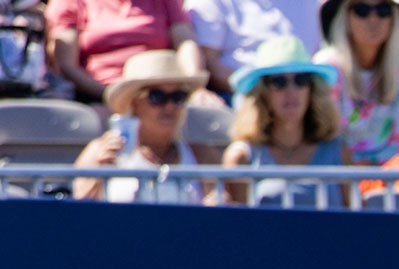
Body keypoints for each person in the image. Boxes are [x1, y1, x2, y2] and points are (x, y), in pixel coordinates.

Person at [70, 45, 214, 199]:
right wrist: (98, 175)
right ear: (134, 104)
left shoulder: (201, 156)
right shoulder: (101, 151)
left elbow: (221, 213)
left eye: (178, 97)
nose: (170, 106)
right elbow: (79, 216)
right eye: (157, 96)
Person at [220, 32, 342, 198]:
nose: (291, 91)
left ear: (312, 89)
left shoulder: (339, 151)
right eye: (279, 82)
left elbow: (358, 220)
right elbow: (239, 222)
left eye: (301, 80)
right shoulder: (241, 157)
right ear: (262, 93)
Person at [46, 0, 203, 100]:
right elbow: (66, 64)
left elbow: (186, 42)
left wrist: (194, 87)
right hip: (97, 95)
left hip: (162, 93)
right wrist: (111, 96)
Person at [315, 0, 399, 164]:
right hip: (339, 176)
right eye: (362, 10)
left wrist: (374, 171)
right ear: (345, 16)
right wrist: (355, 171)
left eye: (383, 10)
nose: (373, 19)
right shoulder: (327, 66)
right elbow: (326, 139)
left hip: (388, 175)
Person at [183, 0, 320, 94]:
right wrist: (262, 90)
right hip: (238, 97)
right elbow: (209, 61)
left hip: (304, 92)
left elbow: (317, 53)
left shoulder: (309, 3)